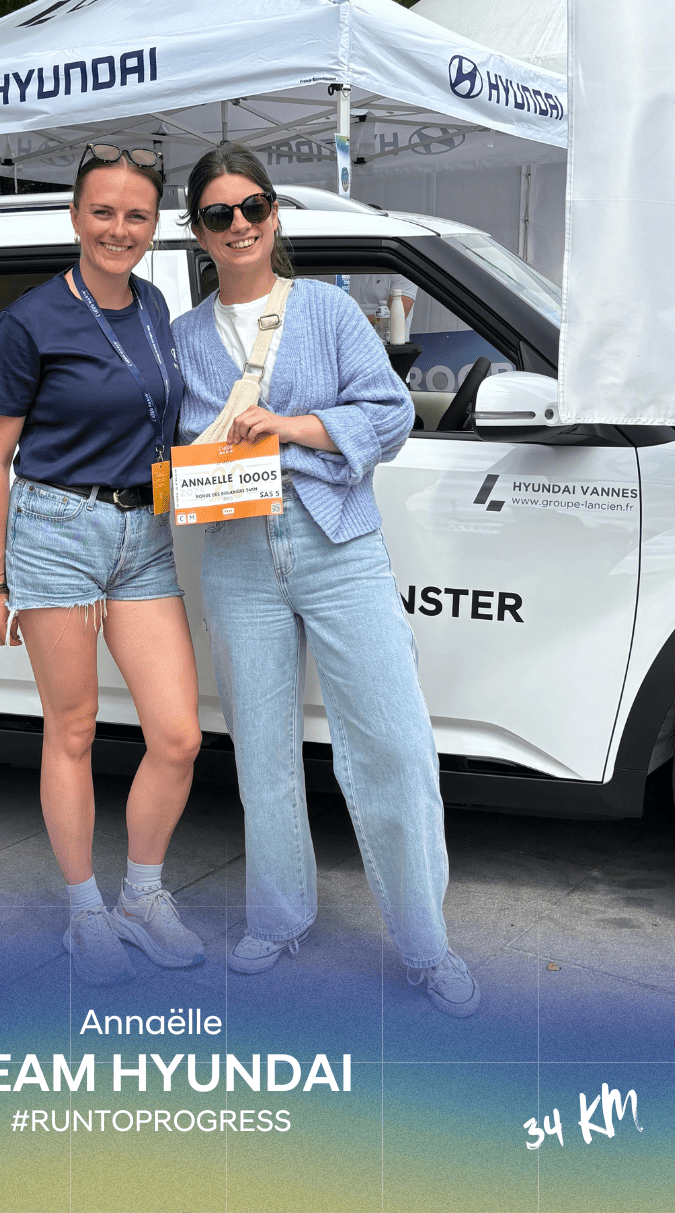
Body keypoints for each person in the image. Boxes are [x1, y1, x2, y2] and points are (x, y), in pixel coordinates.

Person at [170, 142, 480, 1017]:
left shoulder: (328, 312)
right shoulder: (183, 338)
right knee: (262, 752)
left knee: (394, 744)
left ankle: (427, 944)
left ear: (275, 215)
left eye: (252, 207)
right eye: (219, 214)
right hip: (237, 555)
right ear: (199, 232)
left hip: (339, 545)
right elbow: (175, 446)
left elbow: (390, 415)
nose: (239, 225)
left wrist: (291, 427)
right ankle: (277, 918)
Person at [0, 144, 205, 986]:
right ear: (75, 216)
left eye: (136, 215)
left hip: (144, 534)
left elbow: (159, 419)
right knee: (71, 729)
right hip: (57, 532)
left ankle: (140, 898)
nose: (119, 229)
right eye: (102, 211)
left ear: (154, 225)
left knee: (177, 735)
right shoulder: (30, 321)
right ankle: (84, 913)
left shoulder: (155, 303)